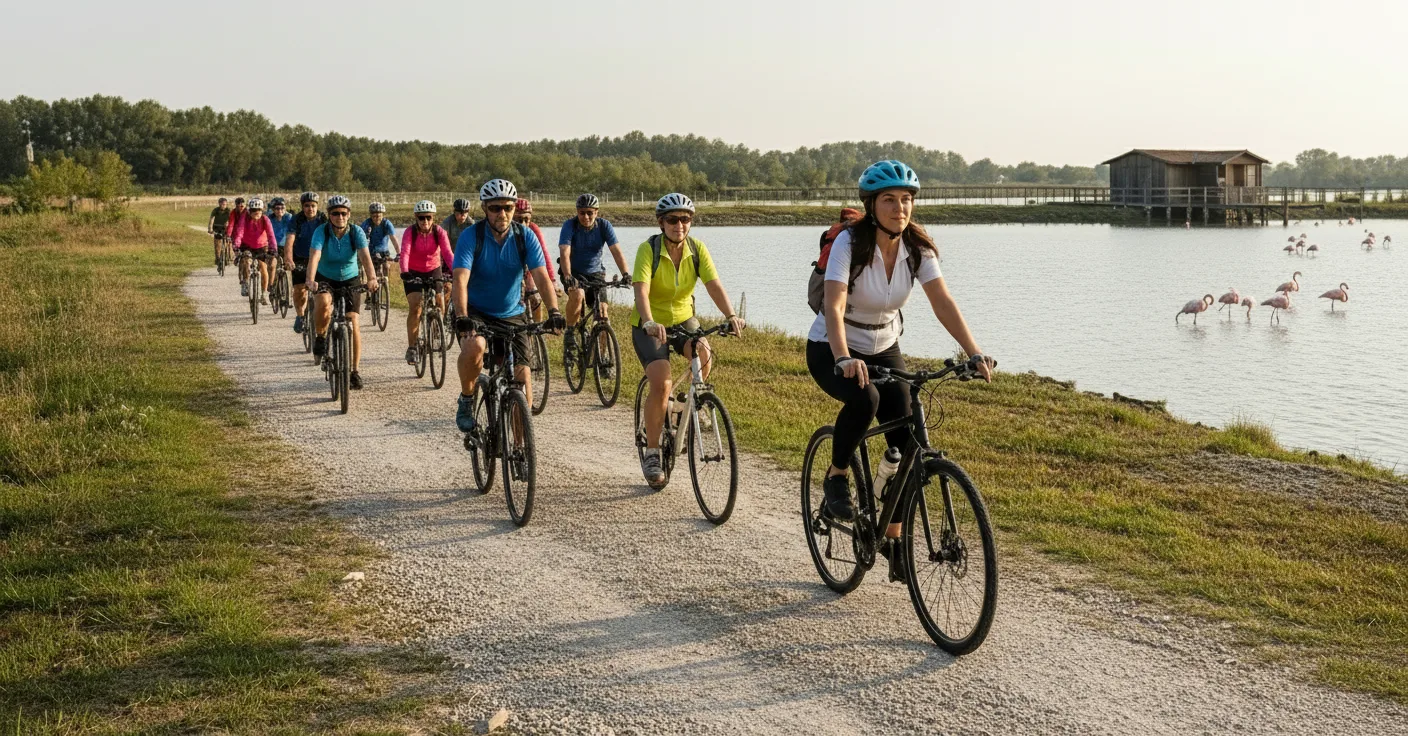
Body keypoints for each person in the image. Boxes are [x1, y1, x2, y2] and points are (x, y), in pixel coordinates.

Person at [806, 160, 992, 580]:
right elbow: (834, 305)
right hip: (831, 346)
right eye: (889, 200)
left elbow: (942, 301)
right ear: (872, 205)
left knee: (907, 443)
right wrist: (842, 357)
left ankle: (891, 538)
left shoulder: (918, 248)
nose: (899, 208)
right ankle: (837, 475)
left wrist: (974, 352)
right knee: (866, 397)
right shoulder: (850, 244)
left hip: (885, 344)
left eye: (906, 200)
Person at [630, 193, 745, 488]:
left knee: (704, 353)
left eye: (685, 219)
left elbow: (713, 285)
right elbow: (641, 290)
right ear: (661, 223)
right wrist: (649, 322)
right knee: (662, 382)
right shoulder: (648, 250)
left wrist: (731, 315)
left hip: (683, 319)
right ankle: (653, 452)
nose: (679, 225)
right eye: (672, 219)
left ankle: (685, 408)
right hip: (650, 324)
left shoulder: (697, 249)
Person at [452, 179, 563, 433]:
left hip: (512, 313)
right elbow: (460, 279)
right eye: (495, 208)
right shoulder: (472, 236)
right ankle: (467, 399)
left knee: (522, 382)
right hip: (475, 311)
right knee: (475, 346)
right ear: (484, 209)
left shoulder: (525, 236)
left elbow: (542, 277)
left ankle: (522, 451)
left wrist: (554, 311)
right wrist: (462, 316)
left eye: (508, 207)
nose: (502, 213)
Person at [304, 195, 379, 390]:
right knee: (322, 303)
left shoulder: (357, 232)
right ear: (329, 215)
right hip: (325, 276)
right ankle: (320, 337)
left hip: (350, 278)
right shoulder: (322, 232)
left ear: (349, 215)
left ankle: (354, 371)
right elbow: (315, 255)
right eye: (335, 213)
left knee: (353, 322)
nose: (340, 217)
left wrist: (371, 278)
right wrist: (310, 280)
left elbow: (364, 255)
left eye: (343, 213)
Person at [559, 193, 629, 352]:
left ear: (596, 212)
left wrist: (626, 274)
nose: (586, 217)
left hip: (596, 273)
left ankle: (604, 359)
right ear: (577, 212)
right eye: (582, 212)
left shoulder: (604, 226)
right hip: (573, 271)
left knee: (603, 314)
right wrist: (568, 276)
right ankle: (570, 332)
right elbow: (564, 252)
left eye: (590, 212)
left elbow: (616, 251)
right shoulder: (569, 225)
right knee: (577, 295)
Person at [400, 200, 454, 365]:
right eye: (422, 218)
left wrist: (456, 272)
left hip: (433, 269)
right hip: (413, 271)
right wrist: (405, 272)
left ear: (433, 218)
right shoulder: (410, 232)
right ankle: (412, 348)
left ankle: (437, 326)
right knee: (416, 307)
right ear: (416, 218)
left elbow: (447, 253)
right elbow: (405, 252)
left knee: (440, 301)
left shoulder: (439, 232)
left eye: (428, 218)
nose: (425, 222)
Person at [285, 192, 327, 335]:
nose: (310, 209)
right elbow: (290, 240)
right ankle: (300, 316)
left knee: (322, 291)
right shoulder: (296, 219)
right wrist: (289, 259)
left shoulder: (323, 218)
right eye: (307, 206)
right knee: (299, 290)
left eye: (313, 206)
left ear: (317, 206)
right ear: (302, 207)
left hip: (319, 257)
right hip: (300, 257)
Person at [513, 197, 557, 320]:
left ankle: (539, 330)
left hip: (529, 269)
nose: (522, 224)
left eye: (526, 220)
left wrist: (552, 280)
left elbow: (544, 254)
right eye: (518, 219)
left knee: (536, 298)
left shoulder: (534, 229)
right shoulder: (506, 231)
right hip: (512, 271)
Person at [232, 198, 279, 302]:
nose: (256, 212)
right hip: (246, 245)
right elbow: (239, 232)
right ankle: (245, 282)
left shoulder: (265, 219)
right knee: (246, 260)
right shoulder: (244, 218)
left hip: (262, 246)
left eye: (258, 210)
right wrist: (236, 246)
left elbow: (271, 236)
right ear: (249, 210)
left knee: (263, 268)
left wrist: (273, 249)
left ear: (262, 210)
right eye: (253, 210)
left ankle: (264, 293)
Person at [360, 201, 401, 268]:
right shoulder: (366, 224)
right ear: (370, 216)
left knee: (386, 266)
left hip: (384, 252)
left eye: (378, 216)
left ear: (382, 215)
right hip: (371, 252)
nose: (376, 219)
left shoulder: (386, 224)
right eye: (374, 216)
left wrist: (399, 253)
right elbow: (360, 240)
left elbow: (393, 239)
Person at [207, 197, 232, 265]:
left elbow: (231, 220)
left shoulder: (228, 210)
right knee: (217, 244)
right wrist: (210, 229)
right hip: (217, 227)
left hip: (226, 228)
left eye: (224, 204)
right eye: (222, 204)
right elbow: (211, 219)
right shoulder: (215, 210)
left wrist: (228, 224)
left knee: (228, 243)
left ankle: (228, 258)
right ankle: (217, 258)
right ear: (219, 204)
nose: (223, 206)